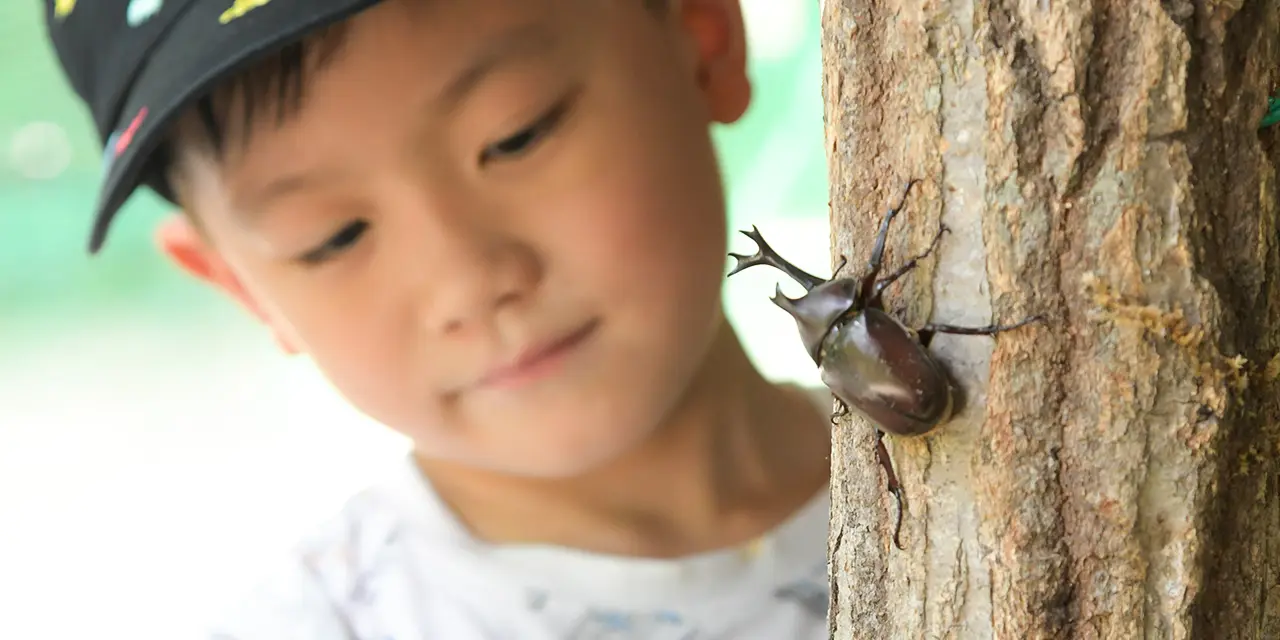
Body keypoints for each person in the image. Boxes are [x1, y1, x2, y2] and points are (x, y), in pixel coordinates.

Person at [44, 0, 834, 636]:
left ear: (703, 38)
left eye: (517, 134)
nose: (469, 281)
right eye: (332, 238)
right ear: (245, 290)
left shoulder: (952, 432)